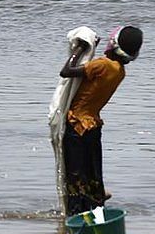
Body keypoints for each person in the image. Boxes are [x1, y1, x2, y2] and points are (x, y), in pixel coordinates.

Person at [58, 26, 143, 215]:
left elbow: (66, 71)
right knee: (93, 175)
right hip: (93, 127)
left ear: (113, 44)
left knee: (76, 177)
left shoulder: (103, 65)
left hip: (77, 126)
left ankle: (75, 221)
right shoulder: (119, 71)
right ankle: (96, 211)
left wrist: (81, 48)